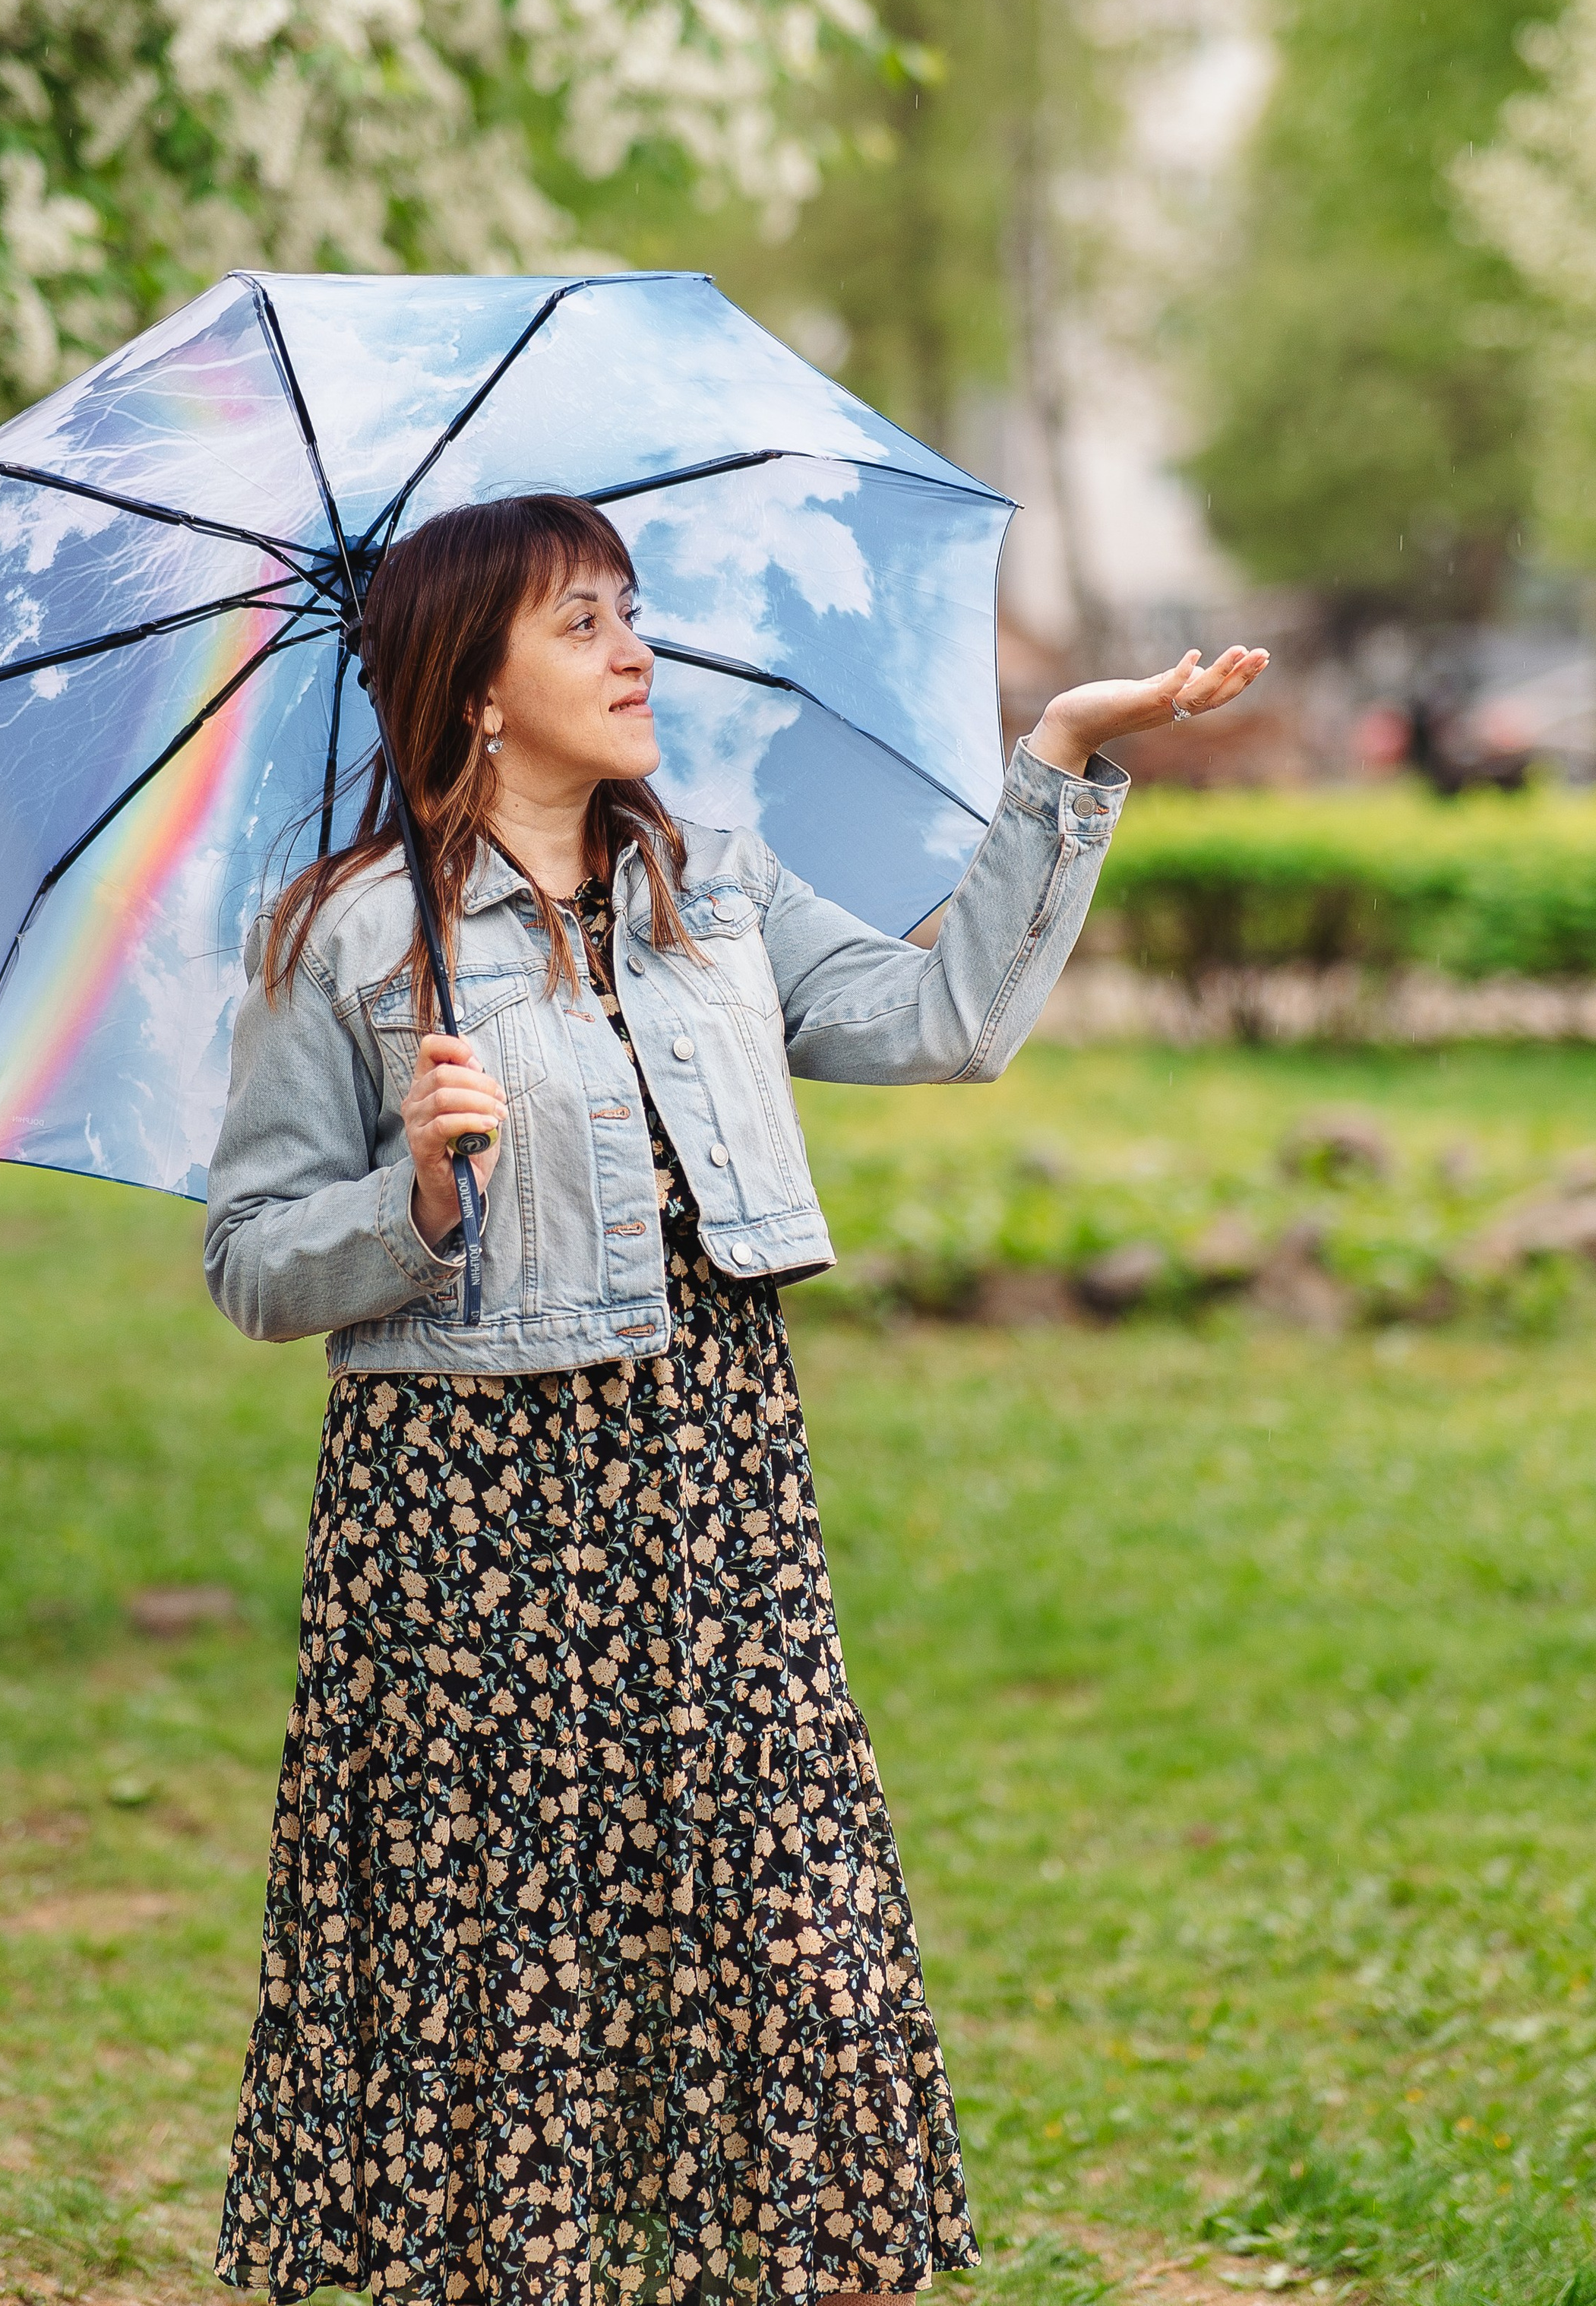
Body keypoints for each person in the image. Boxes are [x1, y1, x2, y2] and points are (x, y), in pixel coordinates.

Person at [204, 494, 1269, 2306]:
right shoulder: (351, 938)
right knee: (514, 1972)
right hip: (465, 1523)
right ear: (473, 687)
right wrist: (417, 1197)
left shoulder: (717, 889)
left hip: (715, 1495)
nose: (634, 653)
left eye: (630, 613)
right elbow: (247, 1261)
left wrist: (1059, 756)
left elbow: (948, 1022)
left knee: (797, 1946)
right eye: (581, 624)